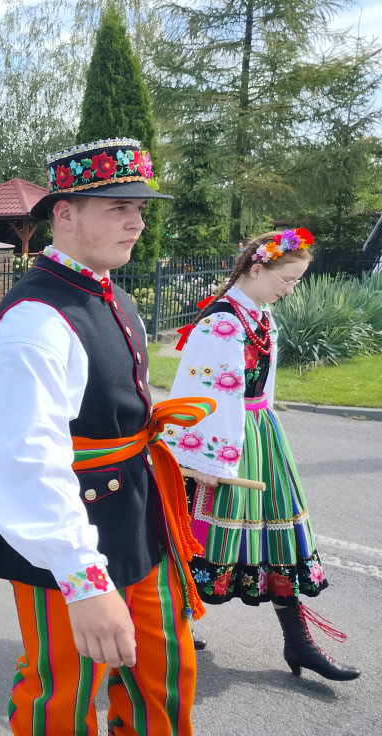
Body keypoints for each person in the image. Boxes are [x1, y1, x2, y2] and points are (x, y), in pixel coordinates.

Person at [0, 139, 208, 736]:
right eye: (117, 207)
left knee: (164, 671)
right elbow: (27, 462)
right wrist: (83, 580)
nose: (137, 222)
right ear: (64, 213)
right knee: (64, 695)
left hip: (136, 509)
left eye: (141, 208)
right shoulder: (35, 318)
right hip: (68, 525)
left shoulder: (113, 293)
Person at [167, 229, 360, 681]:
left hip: (257, 435)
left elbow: (262, 391)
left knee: (278, 535)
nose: (290, 290)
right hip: (217, 441)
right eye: (288, 279)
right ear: (258, 268)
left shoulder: (261, 317)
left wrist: (266, 436)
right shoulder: (222, 322)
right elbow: (202, 394)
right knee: (198, 534)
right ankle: (171, 623)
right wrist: (205, 462)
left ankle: (298, 641)